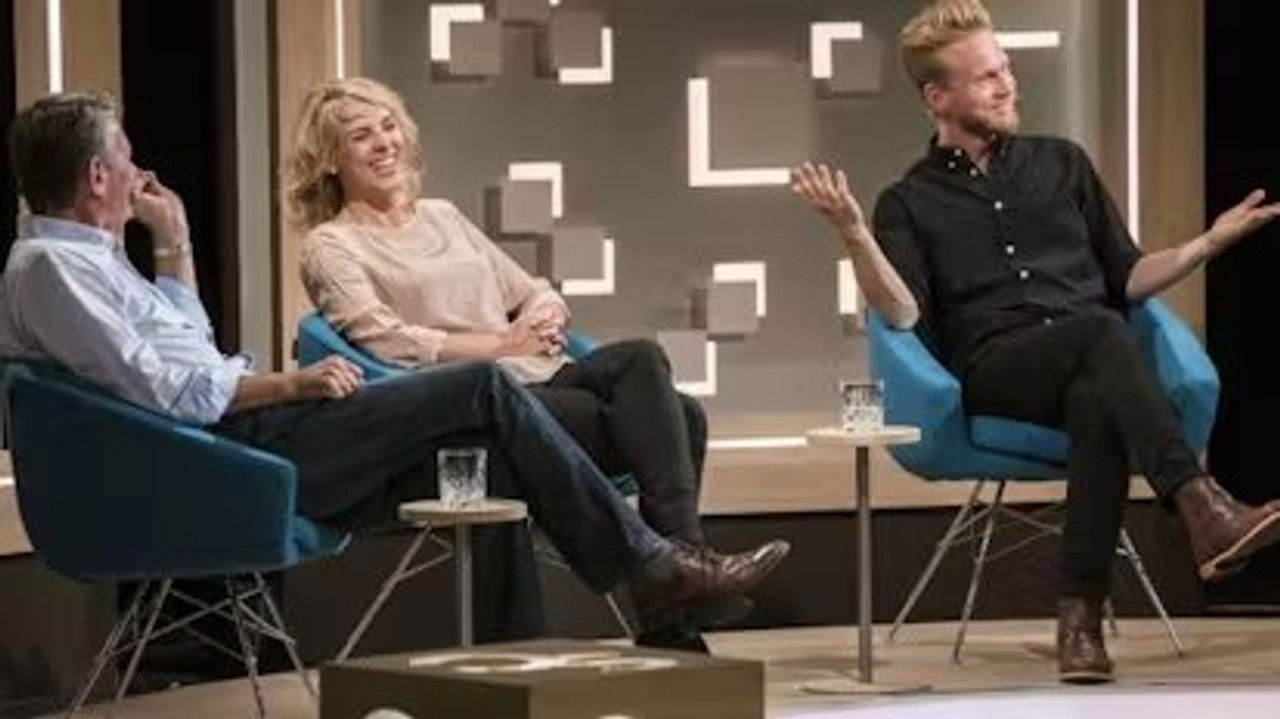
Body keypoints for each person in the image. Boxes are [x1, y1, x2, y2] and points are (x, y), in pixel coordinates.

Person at [0, 93, 786, 654]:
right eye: (125, 156)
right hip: (242, 445)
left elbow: (189, 353)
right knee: (489, 391)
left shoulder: (97, 263)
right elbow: (182, 394)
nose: (138, 169)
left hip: (257, 426)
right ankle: (658, 572)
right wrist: (295, 382)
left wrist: (174, 243)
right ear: (97, 177)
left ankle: (665, 578)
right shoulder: (50, 269)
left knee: (643, 374)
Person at [791, 0, 1280, 684]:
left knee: (1097, 398)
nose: (1007, 84)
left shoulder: (1063, 164)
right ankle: (1200, 503)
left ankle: (1080, 625)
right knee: (1101, 332)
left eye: (1006, 68)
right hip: (998, 368)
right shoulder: (908, 201)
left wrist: (1206, 244)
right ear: (937, 98)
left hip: (1090, 359)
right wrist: (853, 233)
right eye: (987, 76)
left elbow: (1127, 276)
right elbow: (901, 313)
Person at [282, 76, 789, 647]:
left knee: (644, 362)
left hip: (534, 375)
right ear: (330, 159)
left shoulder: (442, 216)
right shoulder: (331, 246)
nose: (383, 143)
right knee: (672, 416)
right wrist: (499, 346)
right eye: (361, 136)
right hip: (464, 405)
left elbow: (530, 290)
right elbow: (385, 341)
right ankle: (671, 592)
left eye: (388, 126)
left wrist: (542, 316)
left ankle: (678, 565)